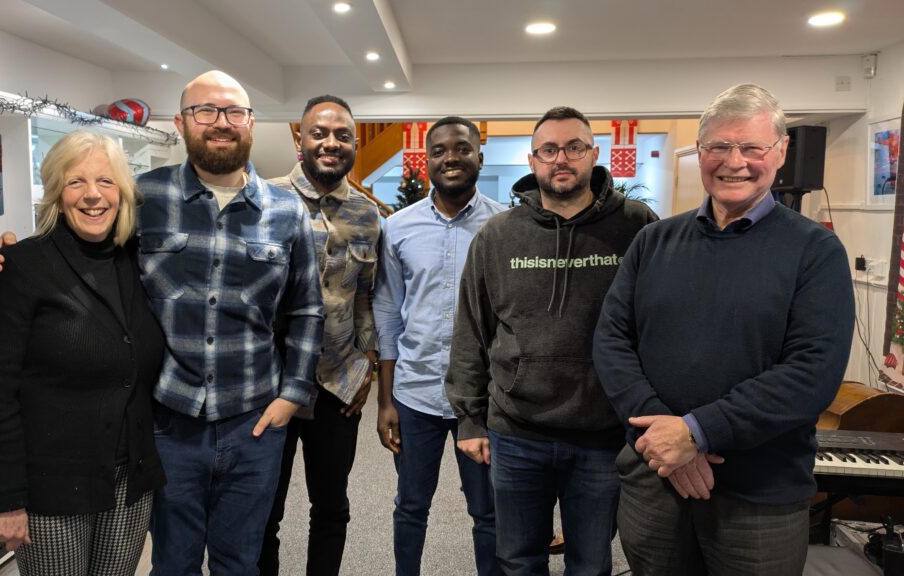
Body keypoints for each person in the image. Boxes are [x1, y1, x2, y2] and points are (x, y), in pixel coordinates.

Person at [0, 70, 325, 576]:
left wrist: (292, 394)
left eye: (233, 112)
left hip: (254, 421)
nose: (220, 122)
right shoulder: (141, 198)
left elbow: (307, 309)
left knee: (241, 561)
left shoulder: (287, 212)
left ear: (250, 122)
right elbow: (78, 247)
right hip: (167, 423)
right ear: (182, 123)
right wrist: (8, 255)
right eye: (204, 111)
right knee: (173, 562)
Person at [593, 83, 854, 575]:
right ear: (700, 152)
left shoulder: (815, 251)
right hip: (655, 479)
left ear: (779, 153)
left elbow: (811, 374)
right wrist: (664, 435)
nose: (735, 161)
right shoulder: (653, 241)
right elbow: (611, 342)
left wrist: (697, 433)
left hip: (759, 499)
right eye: (718, 147)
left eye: (752, 147)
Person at [446, 106, 657, 576]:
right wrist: (470, 419)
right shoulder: (498, 236)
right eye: (549, 150)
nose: (561, 159)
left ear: (593, 154)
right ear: (533, 158)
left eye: (574, 147)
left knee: (591, 563)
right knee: (519, 561)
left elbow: (659, 326)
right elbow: (471, 330)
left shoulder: (638, 225)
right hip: (517, 432)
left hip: (603, 435)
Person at [0, 130, 166, 576]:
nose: (93, 195)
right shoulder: (18, 267)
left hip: (128, 479)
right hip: (51, 486)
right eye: (76, 182)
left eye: (107, 181)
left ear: (123, 194)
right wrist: (5, 499)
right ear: (57, 193)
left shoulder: (135, 260)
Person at [373, 116, 506, 576]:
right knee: (411, 505)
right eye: (440, 150)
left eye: (462, 148)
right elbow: (388, 313)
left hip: (483, 400)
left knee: (487, 511)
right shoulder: (397, 228)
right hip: (415, 395)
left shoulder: (504, 226)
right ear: (426, 159)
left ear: (478, 157)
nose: (451, 157)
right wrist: (385, 399)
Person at [258, 95, 381, 576]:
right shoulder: (262, 199)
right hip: (270, 385)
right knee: (264, 510)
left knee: (332, 508)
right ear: (299, 139)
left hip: (338, 385)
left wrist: (366, 364)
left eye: (342, 135)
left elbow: (366, 298)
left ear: (352, 144)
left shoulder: (368, 214)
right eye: (319, 133)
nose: (331, 143)